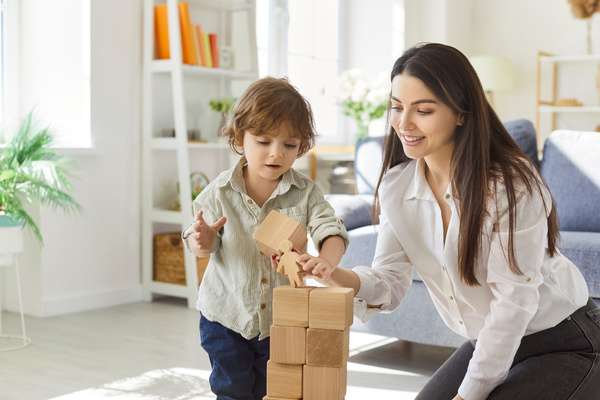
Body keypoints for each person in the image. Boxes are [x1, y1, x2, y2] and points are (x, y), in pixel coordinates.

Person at [299, 43, 600, 400]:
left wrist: (468, 394)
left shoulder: (510, 186)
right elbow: (389, 281)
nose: (403, 123)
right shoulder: (399, 186)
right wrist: (331, 273)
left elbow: (513, 304)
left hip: (563, 340)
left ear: (460, 113)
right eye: (397, 107)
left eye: (423, 110)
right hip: (490, 340)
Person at [182, 77, 348, 400]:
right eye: (263, 141)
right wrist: (201, 240)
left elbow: (331, 229)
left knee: (275, 389)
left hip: (280, 321)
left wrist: (326, 260)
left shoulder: (306, 193)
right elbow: (200, 239)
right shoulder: (219, 191)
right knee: (233, 391)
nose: (276, 154)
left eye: (289, 145)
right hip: (226, 318)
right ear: (239, 138)